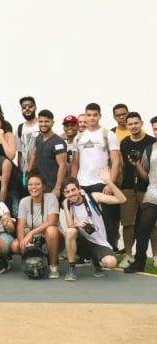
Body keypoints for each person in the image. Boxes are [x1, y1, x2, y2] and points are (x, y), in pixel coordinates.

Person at [70, 102, 121, 249]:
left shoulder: (108, 135)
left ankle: (109, 249)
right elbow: (75, 163)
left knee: (105, 218)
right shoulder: (79, 138)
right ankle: (85, 252)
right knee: (82, 218)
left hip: (101, 182)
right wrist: (74, 184)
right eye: (89, 115)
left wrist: (110, 183)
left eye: (94, 115)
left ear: (100, 116)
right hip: (82, 183)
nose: (91, 118)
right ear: (85, 116)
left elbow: (115, 162)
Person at [61, 171, 125, 281]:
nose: (71, 194)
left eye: (73, 190)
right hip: (81, 241)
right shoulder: (66, 203)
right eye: (67, 192)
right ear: (64, 194)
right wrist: (78, 225)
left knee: (111, 263)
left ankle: (96, 260)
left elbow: (122, 199)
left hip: (98, 242)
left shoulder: (93, 197)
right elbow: (70, 225)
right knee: (71, 232)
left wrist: (109, 182)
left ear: (79, 188)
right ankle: (71, 268)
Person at [117, 112, 156, 268]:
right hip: (126, 187)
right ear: (126, 126)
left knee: (152, 224)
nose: (133, 126)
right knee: (127, 223)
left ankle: (155, 255)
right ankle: (128, 255)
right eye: (130, 124)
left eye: (136, 123)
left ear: (141, 123)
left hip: (146, 188)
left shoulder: (151, 143)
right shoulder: (125, 142)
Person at [11, 172, 62, 279]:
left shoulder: (51, 197)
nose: (34, 187)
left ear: (43, 186)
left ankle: (53, 266)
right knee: (15, 245)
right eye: (30, 184)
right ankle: (33, 259)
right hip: (37, 239)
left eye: (37, 184)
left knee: (51, 230)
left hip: (54, 238)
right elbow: (20, 225)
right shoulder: (24, 201)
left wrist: (31, 233)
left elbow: (52, 222)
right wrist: (23, 243)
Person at [124, 133, 157, 274]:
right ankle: (139, 262)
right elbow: (145, 176)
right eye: (155, 128)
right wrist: (136, 164)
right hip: (153, 194)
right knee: (142, 228)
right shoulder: (150, 149)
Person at [27, 110, 67, 199]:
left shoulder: (58, 142)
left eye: (46, 121)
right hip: (39, 187)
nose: (43, 124)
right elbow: (34, 153)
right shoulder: (39, 137)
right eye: (41, 121)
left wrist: (57, 187)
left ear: (52, 123)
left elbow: (63, 166)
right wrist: (28, 171)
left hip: (52, 187)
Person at [16, 96, 40, 177]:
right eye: (24, 107)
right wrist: (19, 172)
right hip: (25, 173)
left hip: (41, 171)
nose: (27, 108)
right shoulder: (20, 128)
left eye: (30, 106)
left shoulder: (42, 125)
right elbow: (20, 153)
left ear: (35, 107)